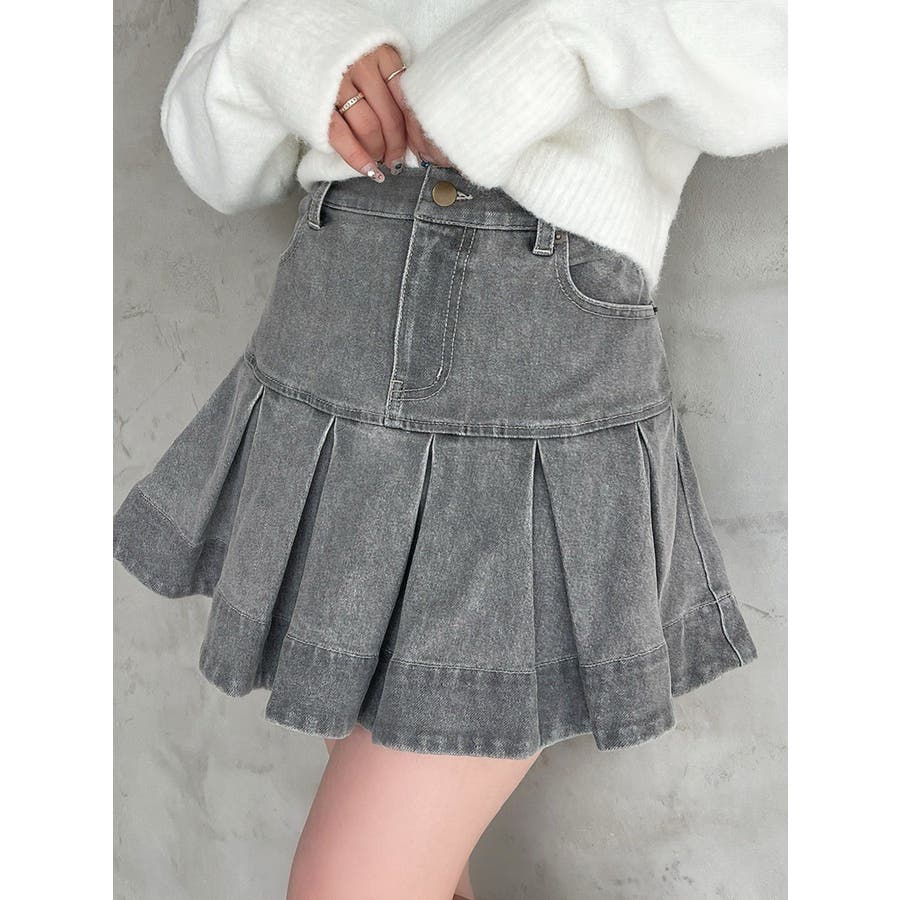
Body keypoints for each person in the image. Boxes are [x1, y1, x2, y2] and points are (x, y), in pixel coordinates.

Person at [113, 2, 787, 897]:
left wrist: (549, 42)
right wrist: (296, 49)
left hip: (534, 356)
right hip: (328, 333)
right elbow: (213, 149)